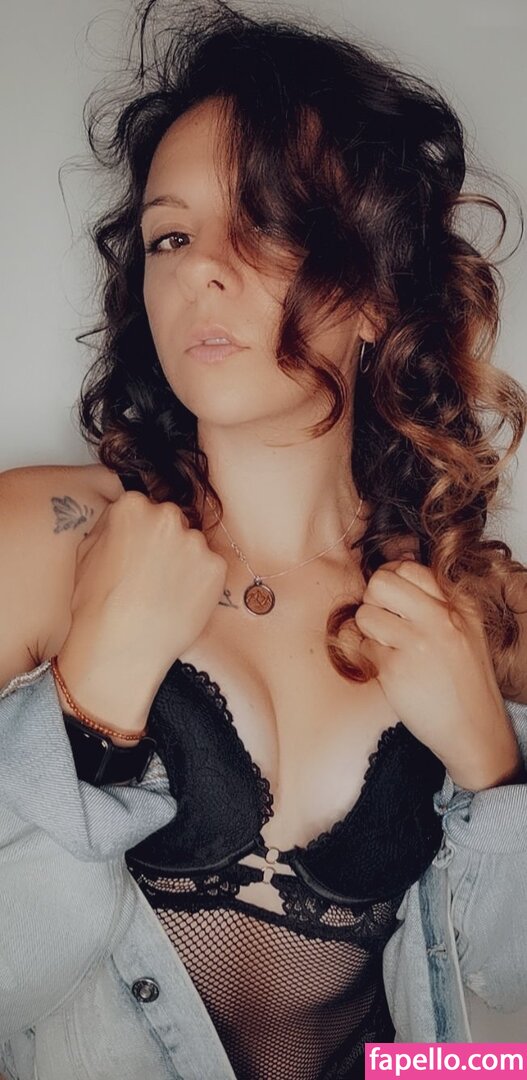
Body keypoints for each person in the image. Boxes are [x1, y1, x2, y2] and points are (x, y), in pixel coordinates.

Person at [1, 2, 527, 1078]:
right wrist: (90, 704)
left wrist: (490, 771)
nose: (200, 269)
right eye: (170, 235)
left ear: (376, 290)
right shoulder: (43, 539)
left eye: (267, 223)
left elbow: (504, 1029)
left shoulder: (485, 610)